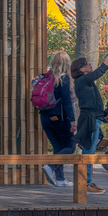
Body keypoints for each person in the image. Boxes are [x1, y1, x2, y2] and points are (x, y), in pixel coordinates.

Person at [70, 42, 108, 194]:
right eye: (87, 64)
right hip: (90, 119)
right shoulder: (82, 80)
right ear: (81, 69)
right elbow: (101, 71)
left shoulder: (86, 82)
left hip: (93, 118)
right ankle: (86, 182)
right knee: (88, 151)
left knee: (90, 150)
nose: (90, 64)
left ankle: (88, 181)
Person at [37, 50, 75, 186]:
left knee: (58, 147)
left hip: (45, 118)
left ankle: (60, 179)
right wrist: (72, 120)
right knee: (70, 146)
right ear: (67, 64)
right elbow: (67, 102)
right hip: (60, 118)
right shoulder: (63, 78)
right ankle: (51, 166)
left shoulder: (46, 77)